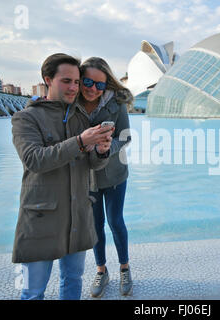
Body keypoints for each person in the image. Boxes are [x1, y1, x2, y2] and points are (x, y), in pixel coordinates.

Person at [11, 53, 114, 300]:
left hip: (77, 214)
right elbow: (35, 159)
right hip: (41, 216)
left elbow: (93, 166)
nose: (73, 88)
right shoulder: (26, 118)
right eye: (66, 81)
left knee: (73, 282)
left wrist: (101, 151)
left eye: (77, 82)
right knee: (33, 292)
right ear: (48, 79)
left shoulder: (81, 118)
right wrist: (80, 141)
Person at [77, 57, 133, 297]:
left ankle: (124, 268)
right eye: (88, 81)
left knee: (115, 221)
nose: (93, 89)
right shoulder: (72, 103)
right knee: (94, 226)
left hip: (114, 173)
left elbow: (126, 136)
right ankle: (101, 270)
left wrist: (108, 148)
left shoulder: (116, 104)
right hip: (86, 176)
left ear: (106, 85)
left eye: (100, 85)